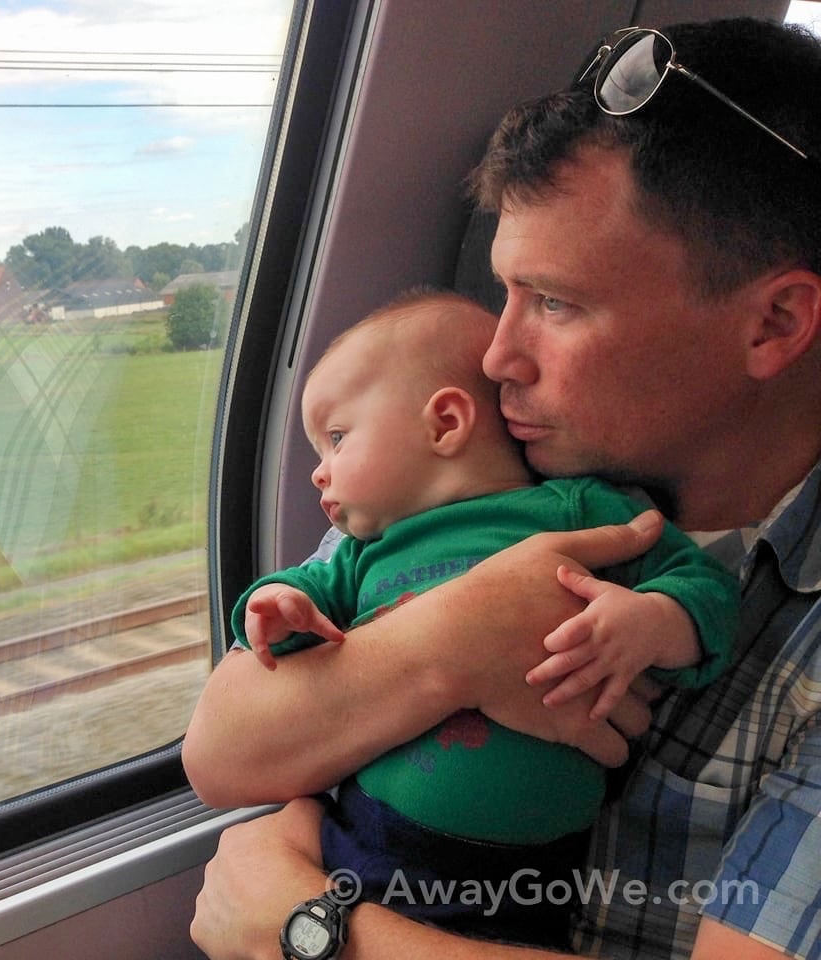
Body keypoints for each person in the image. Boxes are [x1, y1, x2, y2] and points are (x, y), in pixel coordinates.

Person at [184, 15, 821, 960]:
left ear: (772, 322)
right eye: (505, 294)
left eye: (556, 304)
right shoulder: (495, 477)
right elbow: (225, 754)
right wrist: (456, 637)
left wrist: (311, 932)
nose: (496, 355)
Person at [224, 289, 736, 948]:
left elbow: (709, 589)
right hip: (370, 840)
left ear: (443, 423)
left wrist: (653, 620)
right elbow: (287, 607)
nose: (319, 475)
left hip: (536, 877)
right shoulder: (356, 554)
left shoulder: (579, 511)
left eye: (337, 438)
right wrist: (274, 608)